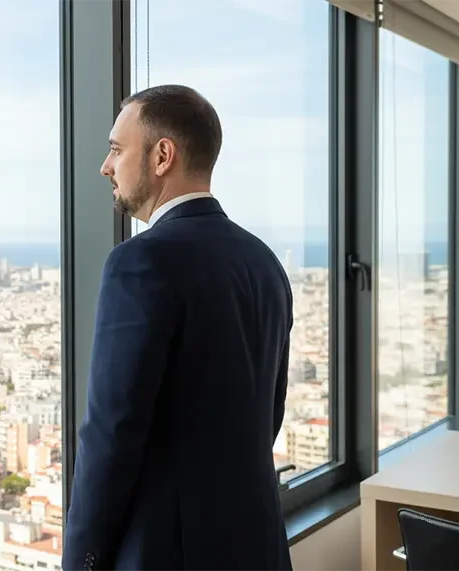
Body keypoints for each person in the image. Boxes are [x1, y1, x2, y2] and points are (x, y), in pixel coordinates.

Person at [62, 85, 294, 571]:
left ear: (162, 155)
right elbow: (267, 415)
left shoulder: (140, 262)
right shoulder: (263, 261)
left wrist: (81, 560)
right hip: (259, 544)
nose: (106, 166)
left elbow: (112, 432)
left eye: (116, 149)